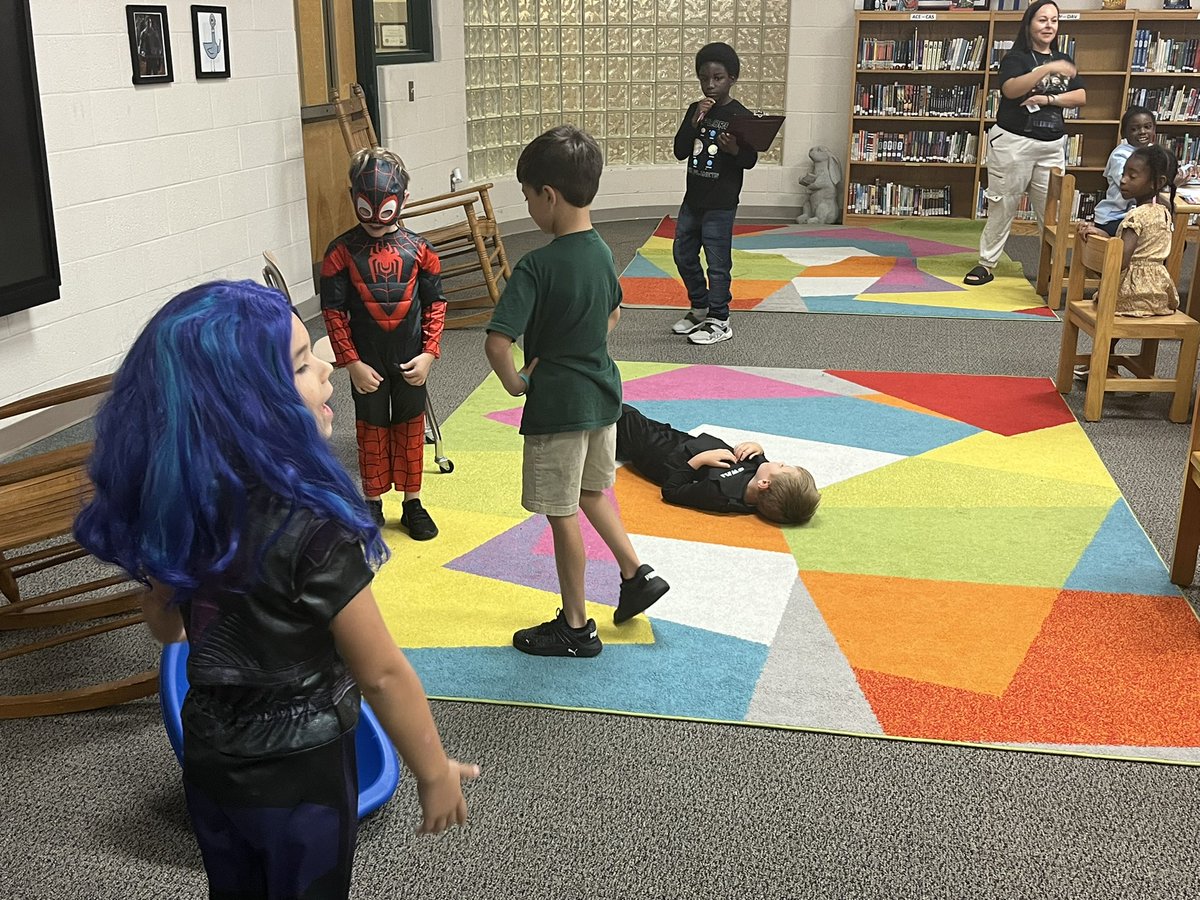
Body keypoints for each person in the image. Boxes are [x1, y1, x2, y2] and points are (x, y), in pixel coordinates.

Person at [73, 281, 478, 899]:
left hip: (211, 757)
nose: (326, 369)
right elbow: (382, 675)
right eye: (301, 364)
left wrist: (160, 585)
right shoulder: (314, 526)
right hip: (303, 770)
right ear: (248, 403)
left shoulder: (185, 500)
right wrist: (434, 771)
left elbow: (169, 631)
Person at [484, 125, 670, 657]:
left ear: (548, 195)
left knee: (562, 514)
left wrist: (518, 382)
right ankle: (635, 572)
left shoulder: (537, 265)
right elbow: (612, 312)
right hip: (603, 400)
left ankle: (575, 626)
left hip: (559, 408)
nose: (529, 206)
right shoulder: (604, 253)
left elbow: (498, 343)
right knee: (592, 492)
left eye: (526, 196)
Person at [321, 147, 445, 540]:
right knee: (370, 430)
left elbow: (436, 304)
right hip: (366, 363)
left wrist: (428, 353)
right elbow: (334, 312)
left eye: (384, 209)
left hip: (411, 360)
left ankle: (412, 502)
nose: (375, 220)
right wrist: (352, 362)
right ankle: (372, 502)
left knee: (410, 429)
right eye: (366, 208)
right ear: (353, 197)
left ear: (402, 201)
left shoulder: (422, 250)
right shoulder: (339, 253)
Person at [964, 0, 1085, 287]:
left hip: (1051, 145)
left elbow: (1079, 96)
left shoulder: (1063, 57)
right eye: (1043, 20)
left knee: (1051, 211)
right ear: (1029, 23)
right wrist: (1047, 69)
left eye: (1054, 20)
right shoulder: (1015, 58)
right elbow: (1010, 90)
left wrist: (1047, 99)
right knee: (1003, 204)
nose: (1049, 26)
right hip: (1014, 143)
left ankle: (1054, 267)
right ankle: (987, 263)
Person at [670, 42, 759, 345]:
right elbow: (680, 151)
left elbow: (749, 159)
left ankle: (720, 319)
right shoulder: (695, 111)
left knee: (717, 263)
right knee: (682, 254)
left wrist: (733, 149)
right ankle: (700, 307)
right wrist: (694, 123)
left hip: (721, 203)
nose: (710, 85)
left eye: (718, 78)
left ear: (732, 78)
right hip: (692, 199)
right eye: (704, 78)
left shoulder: (740, 115)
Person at [615, 404, 821, 524]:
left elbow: (671, 490)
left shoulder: (720, 495)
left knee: (626, 415)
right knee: (636, 423)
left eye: (783, 467)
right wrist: (756, 446)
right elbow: (760, 459)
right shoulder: (759, 471)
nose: (781, 462)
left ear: (764, 484)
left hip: (660, 455)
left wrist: (699, 461)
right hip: (681, 439)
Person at [1081, 145, 1180, 317]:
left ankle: (1108, 344)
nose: (1123, 180)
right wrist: (1103, 235)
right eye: (1123, 174)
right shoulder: (1163, 212)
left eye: (1132, 176)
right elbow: (1139, 248)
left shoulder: (1136, 216)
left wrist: (1096, 253)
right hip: (1158, 295)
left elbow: (1121, 261)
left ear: (1158, 182)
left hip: (1132, 294)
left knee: (1106, 299)